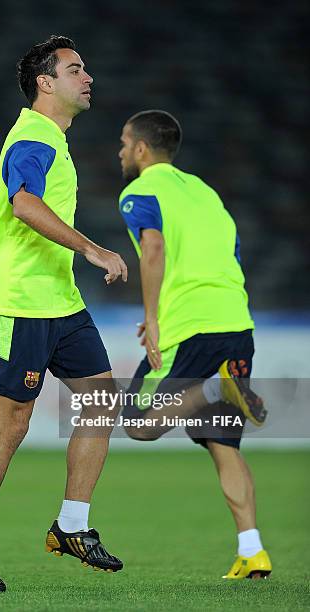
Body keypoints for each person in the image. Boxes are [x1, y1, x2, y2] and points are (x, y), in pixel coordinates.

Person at [0, 35, 126, 592]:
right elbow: (23, 203)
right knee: (13, 423)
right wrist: (92, 249)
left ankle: (72, 525)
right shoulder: (33, 136)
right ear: (46, 83)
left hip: (60, 302)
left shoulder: (53, 140)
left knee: (100, 399)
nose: (87, 77)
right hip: (17, 304)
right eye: (75, 69)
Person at [118, 109, 272, 579]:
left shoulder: (139, 190)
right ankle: (252, 551)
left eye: (125, 142)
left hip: (190, 328)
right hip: (235, 323)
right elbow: (234, 253)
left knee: (138, 424)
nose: (121, 151)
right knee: (222, 442)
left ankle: (213, 388)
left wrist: (152, 316)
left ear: (142, 149)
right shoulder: (206, 193)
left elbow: (154, 248)